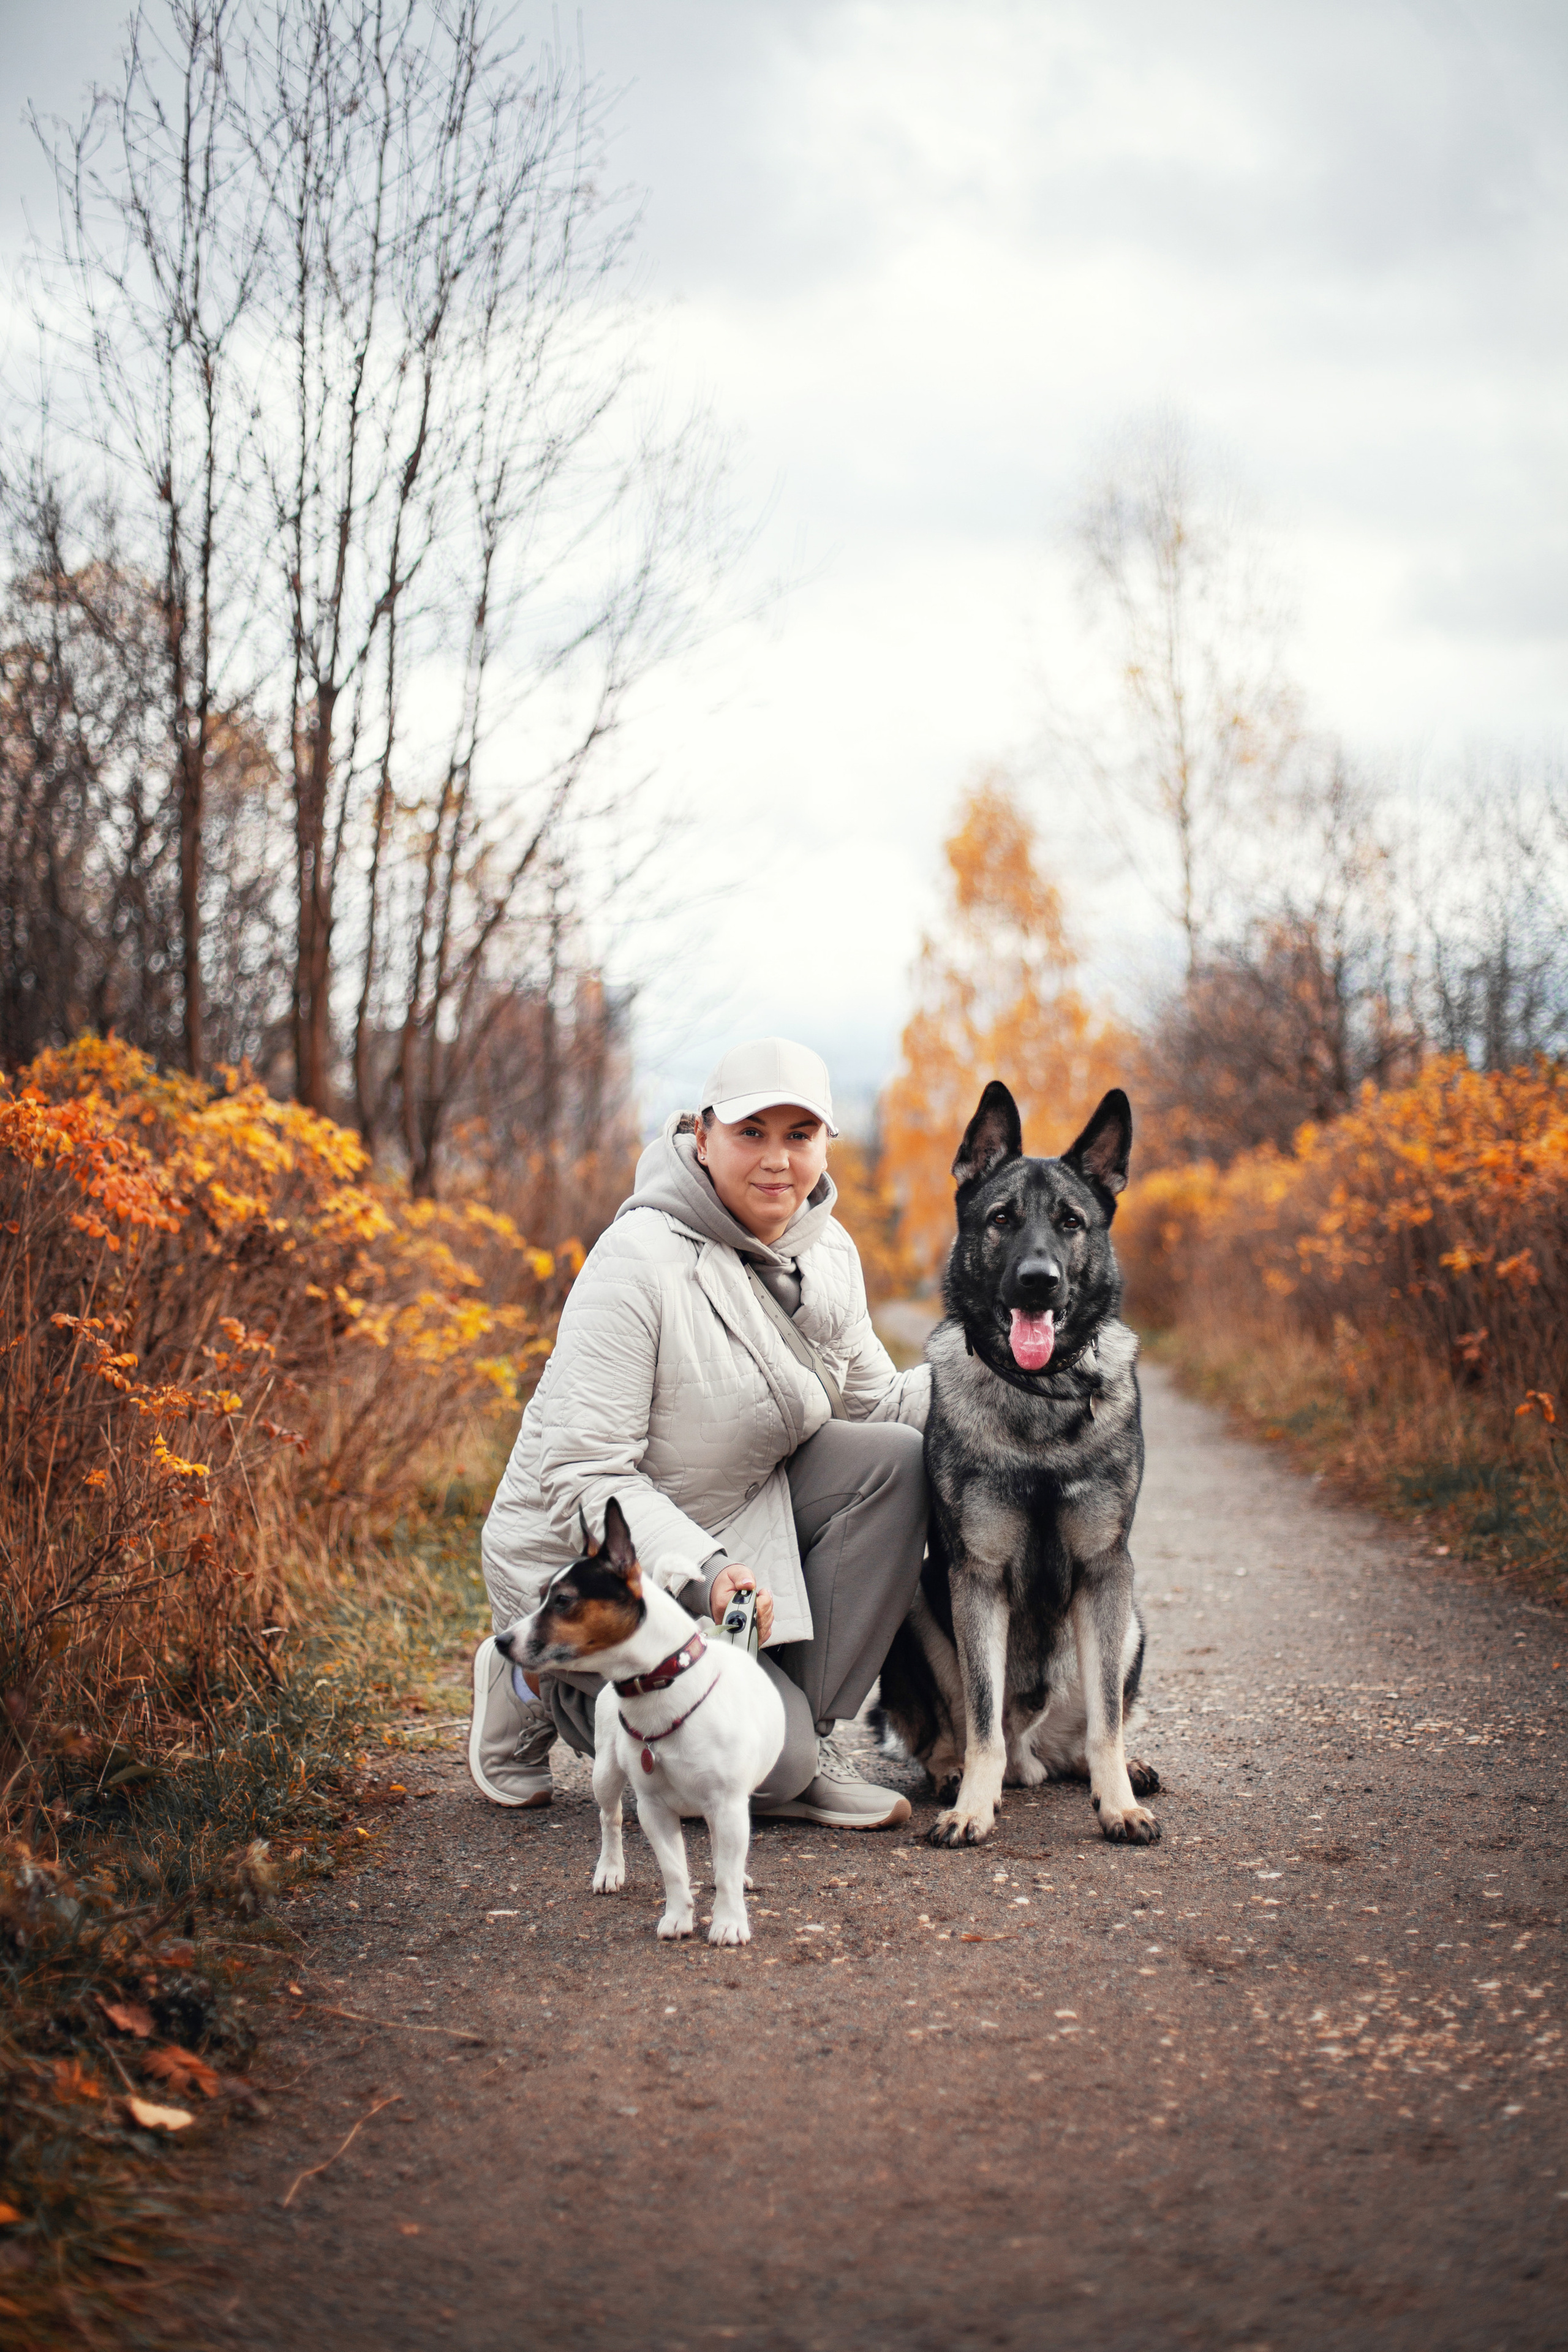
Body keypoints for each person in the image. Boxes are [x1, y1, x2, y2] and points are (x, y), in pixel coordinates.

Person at [470, 1036, 929, 1830]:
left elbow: (877, 1405)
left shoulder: (829, 1257)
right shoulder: (637, 1259)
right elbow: (584, 1472)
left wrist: (1001, 1374)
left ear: (826, 1145)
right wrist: (706, 1570)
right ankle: (529, 1682)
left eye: (800, 1135)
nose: (777, 1159)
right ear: (704, 1134)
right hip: (591, 1562)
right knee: (750, 1775)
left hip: (737, 1513)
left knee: (898, 1462)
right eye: (752, 1134)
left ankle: (802, 1743)